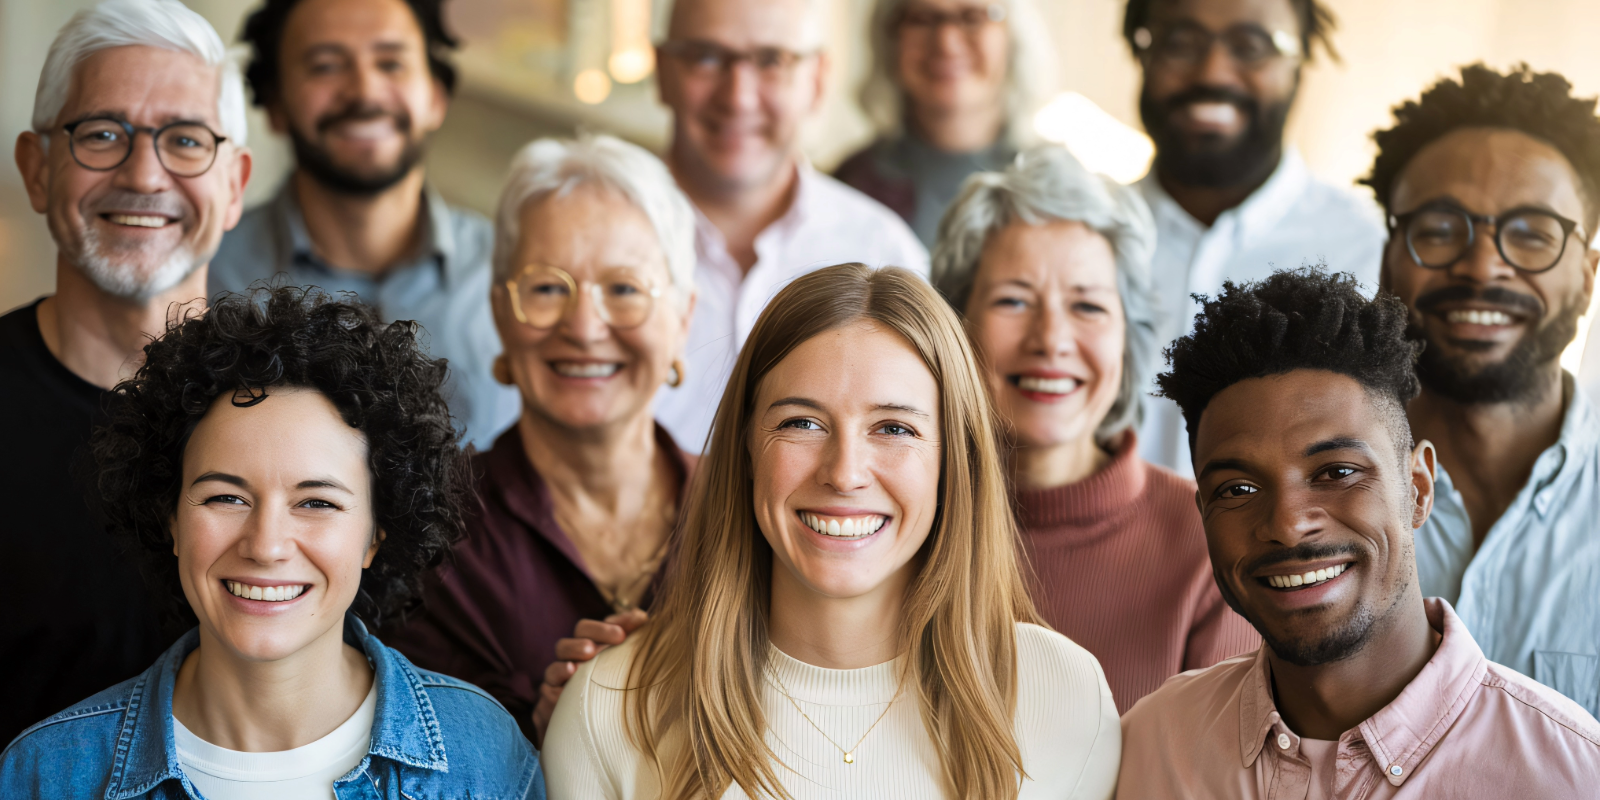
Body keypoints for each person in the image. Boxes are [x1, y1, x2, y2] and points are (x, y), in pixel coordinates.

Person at [543, 264, 1119, 799]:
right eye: (802, 423)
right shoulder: (608, 707)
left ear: (955, 464)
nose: (844, 473)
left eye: (893, 428)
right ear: (746, 450)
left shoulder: (1066, 696)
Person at [0, 288, 544, 798]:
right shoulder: (44, 773)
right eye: (225, 498)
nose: (266, 545)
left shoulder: (485, 754)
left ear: (377, 534)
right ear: (168, 517)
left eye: (317, 503)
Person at [1117, 270, 1600, 798]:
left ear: (1418, 488)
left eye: (1337, 473)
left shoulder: (1569, 772)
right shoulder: (1150, 745)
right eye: (1237, 489)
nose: (1288, 524)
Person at [381, 134, 698, 746]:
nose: (584, 328)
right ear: (501, 313)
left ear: (682, 316)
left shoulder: (750, 505)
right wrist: (541, 734)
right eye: (548, 288)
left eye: (625, 289)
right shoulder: (428, 526)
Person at [1, 0, 252, 747]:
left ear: (234, 185)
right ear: (36, 170)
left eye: (184, 140)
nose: (144, 174)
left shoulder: (306, 416)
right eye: (102, 134)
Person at [931, 145, 1257, 712]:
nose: (1051, 338)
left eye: (1088, 307)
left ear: (1128, 340)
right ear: (953, 326)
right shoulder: (900, 519)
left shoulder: (1210, 545)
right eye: (1013, 300)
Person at [1363, 64, 1600, 717]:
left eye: (1531, 234)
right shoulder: (1310, 493)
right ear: (1389, 257)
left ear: (1588, 270)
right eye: (1439, 229)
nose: (1482, 266)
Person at [210, 0, 517, 449]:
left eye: (391, 62)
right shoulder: (206, 280)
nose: (364, 90)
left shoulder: (514, 273)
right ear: (274, 104)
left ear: (436, 96)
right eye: (325, 65)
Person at [649, 0, 930, 453]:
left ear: (817, 80)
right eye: (705, 56)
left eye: (772, 61)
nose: (738, 96)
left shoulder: (884, 250)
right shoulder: (596, 246)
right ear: (662, 71)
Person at [1121, 0, 1384, 473]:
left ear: (1300, 60)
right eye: (1180, 43)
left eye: (1251, 46)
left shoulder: (1371, 250)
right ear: (1142, 52)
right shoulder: (1084, 238)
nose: (1213, 71)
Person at [835, 0, 1054, 248]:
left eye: (973, 16)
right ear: (890, 38)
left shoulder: (1059, 186)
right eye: (922, 19)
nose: (946, 43)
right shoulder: (847, 188)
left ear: (1013, 34)